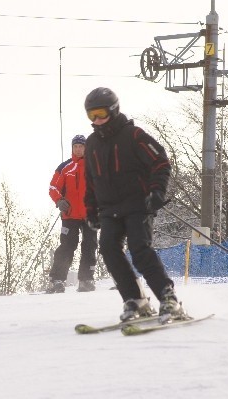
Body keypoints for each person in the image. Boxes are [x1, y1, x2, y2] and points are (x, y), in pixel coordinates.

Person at [82, 87, 185, 321]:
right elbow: (90, 180)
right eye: (91, 116)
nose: (97, 120)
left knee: (139, 250)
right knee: (108, 249)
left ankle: (168, 299)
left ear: (113, 110)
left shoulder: (133, 135)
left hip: (137, 204)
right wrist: (91, 210)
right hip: (109, 209)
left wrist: (157, 191)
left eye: (100, 113)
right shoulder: (91, 144)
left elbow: (160, 161)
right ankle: (135, 299)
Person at [46, 134, 98, 293]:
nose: (78, 149)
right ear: (72, 148)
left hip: (90, 215)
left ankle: (86, 280)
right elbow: (53, 187)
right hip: (70, 215)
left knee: (90, 246)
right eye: (75, 146)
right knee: (67, 247)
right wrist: (59, 200)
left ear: (86, 148)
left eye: (81, 146)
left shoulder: (95, 167)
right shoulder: (65, 167)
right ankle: (57, 280)